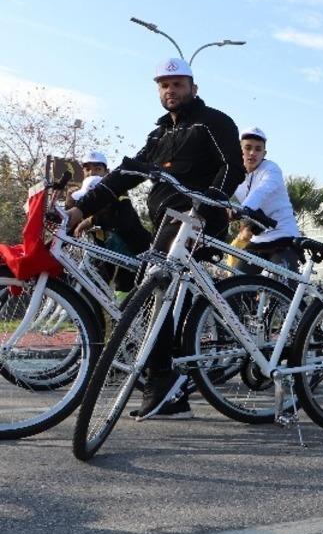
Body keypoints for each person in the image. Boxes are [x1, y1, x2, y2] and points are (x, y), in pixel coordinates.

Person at [66, 57, 244, 421]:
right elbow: (125, 174)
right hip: (165, 226)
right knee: (155, 298)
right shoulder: (159, 134)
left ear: (193, 87)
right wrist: (78, 211)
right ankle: (168, 385)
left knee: (151, 295)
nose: (170, 90)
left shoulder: (214, 122)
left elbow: (233, 167)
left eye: (177, 84)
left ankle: (163, 380)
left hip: (199, 222)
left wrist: (206, 205)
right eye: (163, 85)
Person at [69, 150, 152, 294]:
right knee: (92, 287)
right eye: (88, 169)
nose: (92, 173)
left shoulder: (118, 192)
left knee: (126, 295)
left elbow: (124, 219)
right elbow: (71, 222)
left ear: (107, 172)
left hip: (133, 251)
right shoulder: (80, 197)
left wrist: (91, 220)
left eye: (98, 169)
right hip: (103, 252)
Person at [231, 127, 301, 273]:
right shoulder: (234, 173)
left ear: (264, 153)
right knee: (236, 286)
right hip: (258, 240)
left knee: (282, 289)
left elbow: (261, 191)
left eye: (258, 149)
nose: (252, 153)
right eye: (248, 148)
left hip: (284, 236)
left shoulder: (271, 169)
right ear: (239, 150)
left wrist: (242, 209)